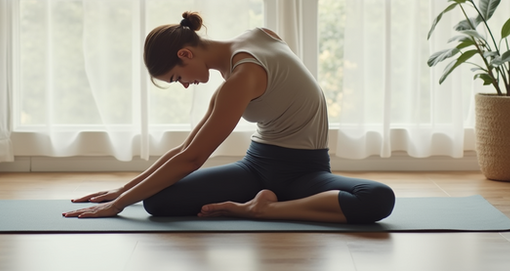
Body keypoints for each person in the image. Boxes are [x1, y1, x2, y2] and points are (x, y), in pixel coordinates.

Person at [63, 12, 395, 223]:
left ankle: (263, 209)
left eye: (177, 77)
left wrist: (118, 206)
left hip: (306, 174)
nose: (185, 85)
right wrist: (123, 190)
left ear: (185, 54)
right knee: (157, 202)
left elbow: (193, 158)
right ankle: (269, 203)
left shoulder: (243, 76)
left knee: (377, 199)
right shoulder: (257, 36)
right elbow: (185, 148)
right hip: (256, 167)